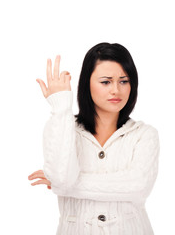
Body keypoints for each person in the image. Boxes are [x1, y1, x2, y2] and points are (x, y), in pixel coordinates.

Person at [28, 42, 160, 235]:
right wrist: (61, 106)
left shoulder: (144, 134)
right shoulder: (62, 127)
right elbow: (62, 179)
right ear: (86, 83)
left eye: (124, 81)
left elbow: (137, 186)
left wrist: (64, 186)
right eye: (106, 82)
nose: (116, 90)